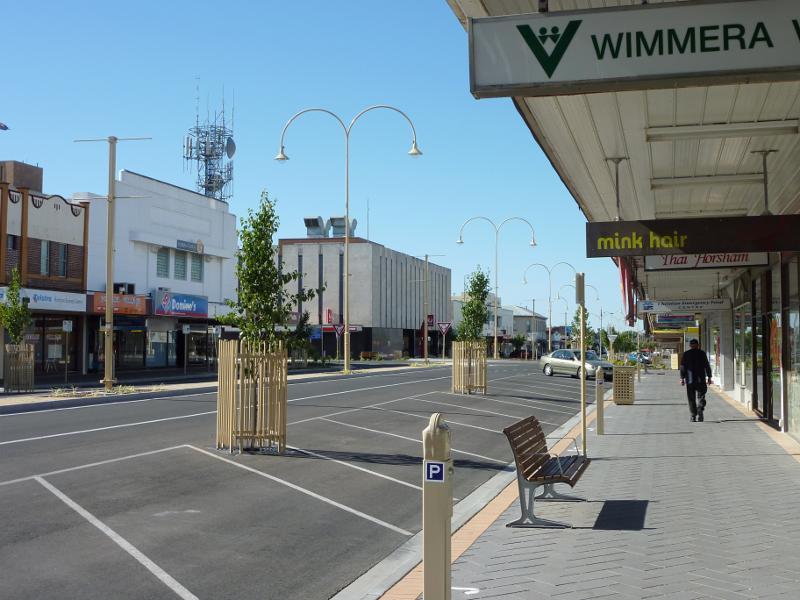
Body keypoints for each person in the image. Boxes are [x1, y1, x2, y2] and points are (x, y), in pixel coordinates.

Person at [680, 339, 713, 422]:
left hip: (690, 380)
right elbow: (707, 365)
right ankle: (700, 408)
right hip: (700, 379)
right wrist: (709, 377)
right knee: (701, 396)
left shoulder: (686, 354)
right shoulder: (702, 353)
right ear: (698, 345)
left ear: (690, 345)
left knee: (691, 398)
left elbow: (683, 367)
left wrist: (682, 378)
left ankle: (693, 416)